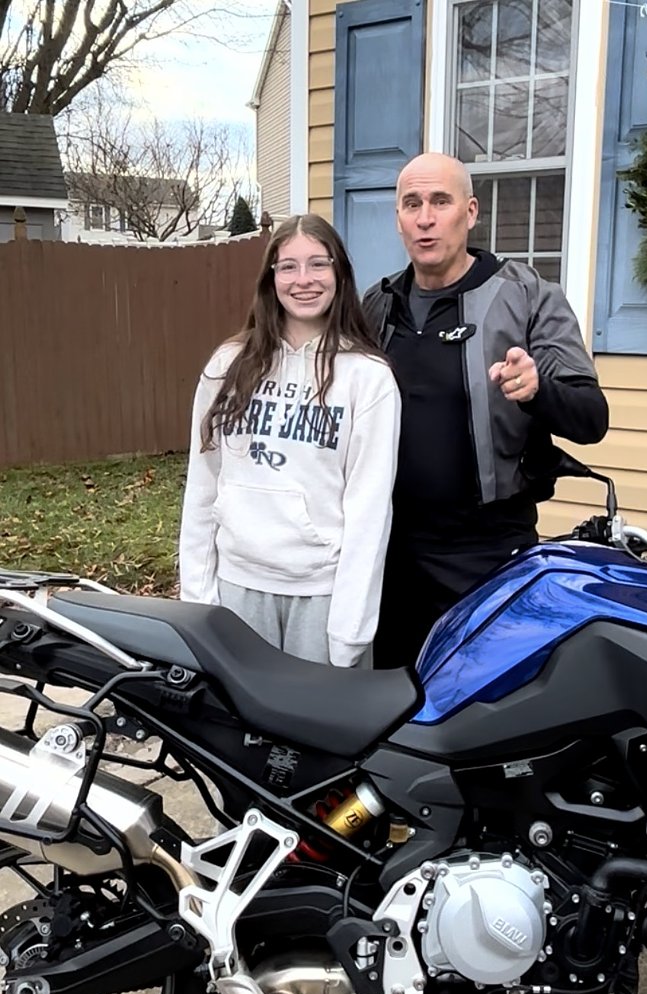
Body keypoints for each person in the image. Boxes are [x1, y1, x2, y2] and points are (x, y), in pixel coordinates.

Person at [363, 152, 609, 668]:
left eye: (440, 202)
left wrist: (539, 389)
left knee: (476, 715)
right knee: (385, 714)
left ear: (471, 213)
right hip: (385, 553)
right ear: (399, 218)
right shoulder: (377, 307)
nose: (425, 218)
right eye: (412, 204)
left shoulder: (528, 296)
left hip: (485, 554)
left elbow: (591, 418)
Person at [179, 213, 400, 668]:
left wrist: (348, 631)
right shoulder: (228, 366)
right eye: (289, 266)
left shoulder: (368, 378)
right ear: (270, 278)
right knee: (234, 735)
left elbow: (370, 511)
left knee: (317, 736)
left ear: (339, 274)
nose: (304, 280)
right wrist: (195, 600)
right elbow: (202, 488)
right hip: (235, 590)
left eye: (319, 264)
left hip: (321, 597)